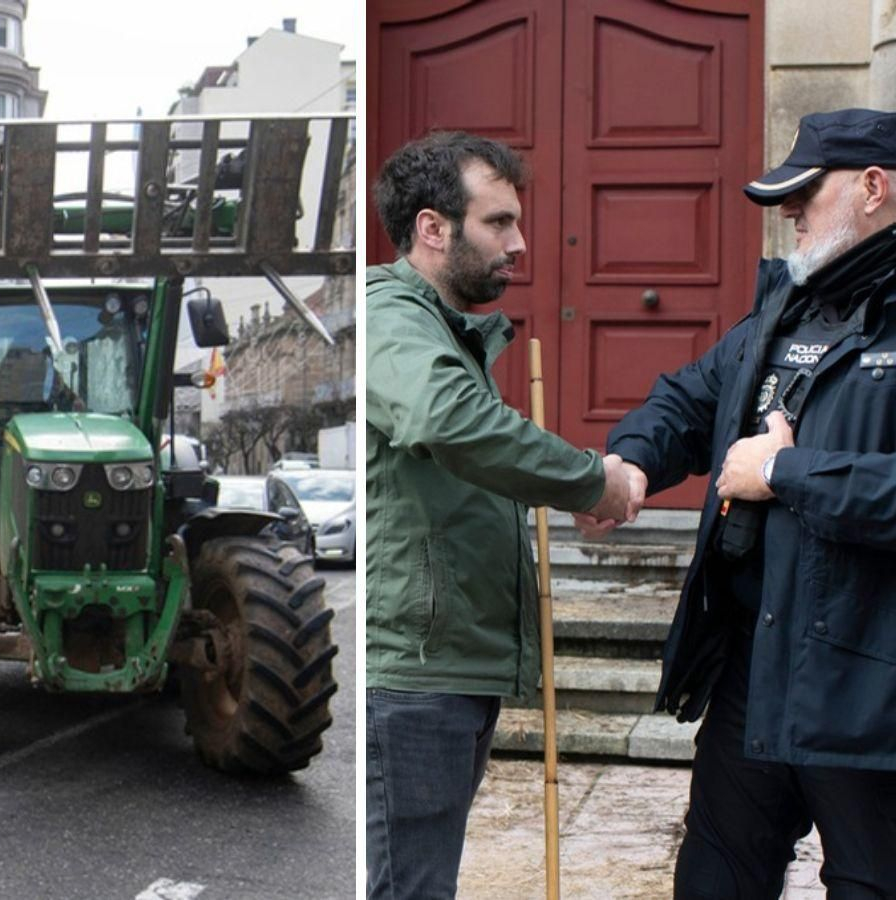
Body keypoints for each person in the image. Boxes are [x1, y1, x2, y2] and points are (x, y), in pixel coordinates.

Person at [576, 108, 896, 896]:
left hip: (871, 690)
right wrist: (629, 467)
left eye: (804, 194)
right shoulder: (781, 315)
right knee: (715, 878)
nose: (787, 213)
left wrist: (788, 474)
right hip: (755, 671)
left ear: (874, 186)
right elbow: (686, 401)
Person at [363, 130, 638, 899]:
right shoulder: (391, 316)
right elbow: (448, 422)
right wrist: (591, 482)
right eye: (498, 223)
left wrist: (569, 487)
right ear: (431, 227)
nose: (520, 244)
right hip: (413, 675)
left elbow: (468, 458)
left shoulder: (449, 332)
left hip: (447, 665)